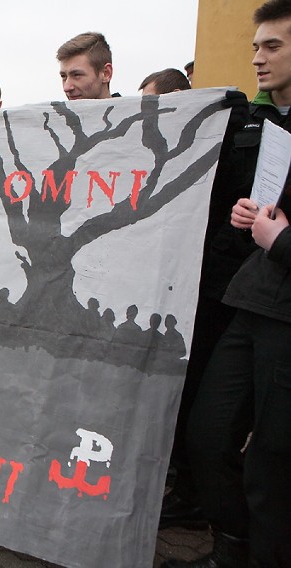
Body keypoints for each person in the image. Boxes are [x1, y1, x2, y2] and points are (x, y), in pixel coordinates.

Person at [162, 1, 291, 566]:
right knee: (209, 435)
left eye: (273, 47)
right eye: (256, 46)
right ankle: (230, 547)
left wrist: (278, 240)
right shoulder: (269, 125)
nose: (258, 59)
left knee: (274, 459)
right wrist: (252, 217)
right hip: (254, 300)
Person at [57, 32, 115, 100]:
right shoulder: (49, 110)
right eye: (63, 76)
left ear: (106, 73)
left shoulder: (129, 110)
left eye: (76, 75)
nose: (66, 88)